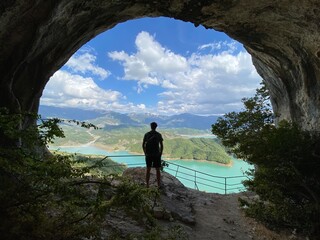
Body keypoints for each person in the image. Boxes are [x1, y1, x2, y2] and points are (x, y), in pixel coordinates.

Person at [142, 122, 163, 188]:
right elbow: (161, 145)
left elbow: (143, 145)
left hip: (149, 154)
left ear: (151, 126)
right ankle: (159, 185)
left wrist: (145, 153)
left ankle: (147, 185)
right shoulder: (158, 135)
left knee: (148, 169)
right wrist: (160, 153)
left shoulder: (147, 134)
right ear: (156, 127)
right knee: (157, 170)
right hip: (156, 155)